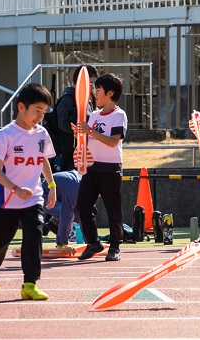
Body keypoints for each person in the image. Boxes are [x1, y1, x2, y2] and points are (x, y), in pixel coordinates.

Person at [0, 83, 56, 301]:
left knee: (34, 236)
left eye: (44, 113)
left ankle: (30, 284)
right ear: (21, 107)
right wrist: (15, 188)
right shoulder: (6, 135)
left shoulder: (42, 134)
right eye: (37, 111)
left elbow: (43, 161)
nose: (40, 117)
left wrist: (51, 186)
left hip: (33, 199)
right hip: (6, 202)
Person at [74, 73, 127, 262]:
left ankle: (114, 247)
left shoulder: (119, 115)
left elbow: (113, 142)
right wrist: (80, 135)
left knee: (113, 209)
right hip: (92, 168)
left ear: (110, 93)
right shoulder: (94, 116)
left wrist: (91, 132)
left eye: (98, 89)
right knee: (82, 205)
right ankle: (93, 242)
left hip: (110, 168)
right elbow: (89, 139)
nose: (95, 93)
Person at [54, 65, 98, 172]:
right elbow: (62, 123)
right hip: (69, 147)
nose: (92, 87)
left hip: (84, 148)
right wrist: (78, 132)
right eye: (90, 83)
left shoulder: (89, 99)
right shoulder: (68, 98)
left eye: (93, 84)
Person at [41, 170, 82, 249]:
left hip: (59, 195)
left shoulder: (81, 182)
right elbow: (66, 214)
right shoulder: (74, 189)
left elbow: (84, 216)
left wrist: (91, 241)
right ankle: (61, 244)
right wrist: (64, 243)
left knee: (79, 216)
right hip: (43, 196)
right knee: (69, 215)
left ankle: (53, 223)